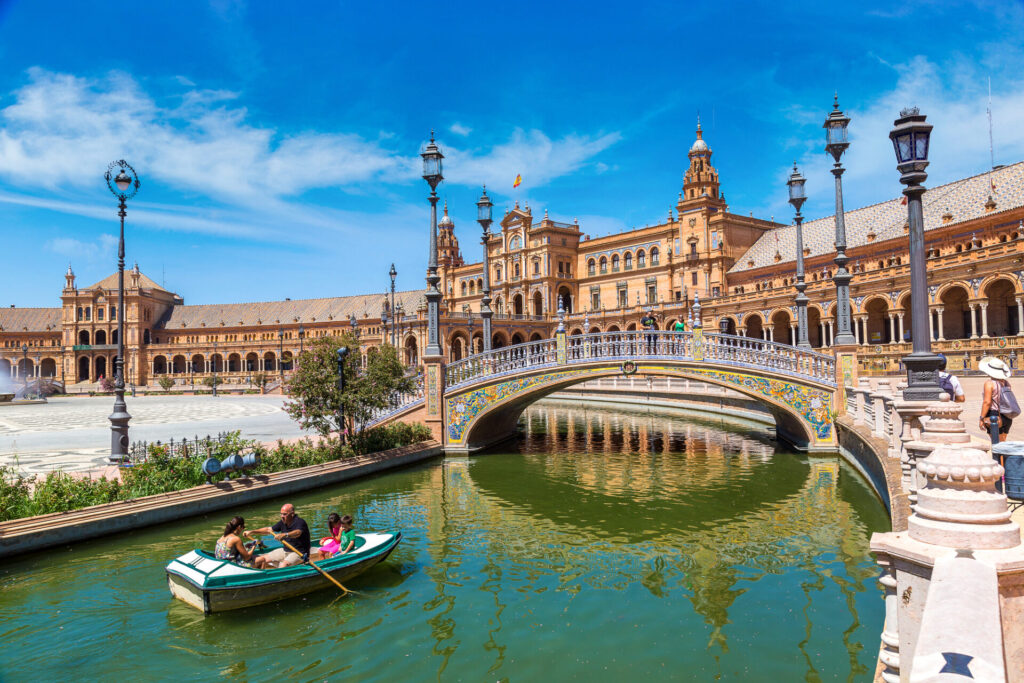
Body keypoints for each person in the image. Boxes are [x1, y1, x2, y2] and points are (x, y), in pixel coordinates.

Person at [246, 503, 311, 568]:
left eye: (285, 514)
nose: (282, 516)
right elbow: (268, 530)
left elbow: (298, 532)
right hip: (285, 551)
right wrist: (252, 532)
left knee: (283, 565)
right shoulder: (282, 522)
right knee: (261, 559)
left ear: (292, 513)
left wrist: (286, 534)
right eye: (281, 514)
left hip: (299, 553)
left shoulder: (300, 522)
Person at [979, 356, 1020, 444]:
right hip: (1007, 416)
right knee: (1003, 444)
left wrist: (981, 418)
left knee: (996, 445)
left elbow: (987, 402)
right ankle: (1004, 458)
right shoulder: (1006, 383)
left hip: (994, 416)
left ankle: (1001, 458)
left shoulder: (989, 383)